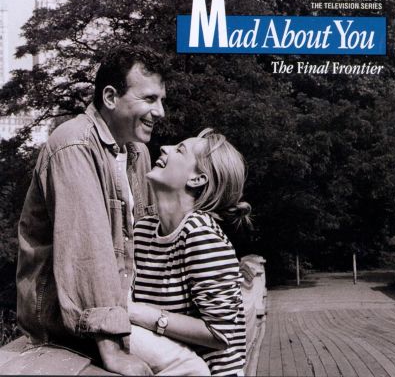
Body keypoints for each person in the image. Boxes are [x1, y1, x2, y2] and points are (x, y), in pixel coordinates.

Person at [16, 45, 167, 375]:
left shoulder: (138, 153)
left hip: (123, 314)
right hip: (69, 329)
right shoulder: (73, 144)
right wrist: (112, 350)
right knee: (189, 366)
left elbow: (143, 244)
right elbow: (88, 252)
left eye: (161, 100)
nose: (160, 112)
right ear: (110, 97)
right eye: (150, 99)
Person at [128, 128, 251, 376]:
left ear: (197, 179)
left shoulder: (201, 235)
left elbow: (222, 334)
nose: (164, 148)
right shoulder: (142, 231)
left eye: (180, 150)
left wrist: (143, 314)